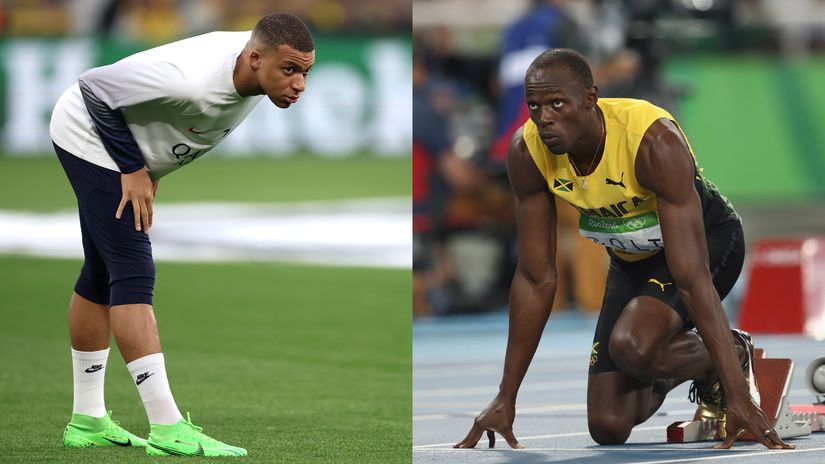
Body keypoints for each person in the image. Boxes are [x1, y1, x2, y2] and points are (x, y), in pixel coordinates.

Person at [454, 48, 795, 450]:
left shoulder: (651, 139)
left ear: (590, 99)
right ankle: (703, 366)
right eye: (534, 105)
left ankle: (734, 358)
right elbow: (535, 277)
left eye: (557, 104)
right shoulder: (527, 152)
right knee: (608, 424)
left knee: (633, 343)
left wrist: (738, 394)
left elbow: (690, 275)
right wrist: (505, 396)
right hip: (633, 258)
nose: (544, 117)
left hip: (706, 243)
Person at [50, 13, 314, 457]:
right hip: (87, 135)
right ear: (254, 58)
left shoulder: (257, 59)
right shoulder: (190, 80)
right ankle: (167, 427)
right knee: (133, 273)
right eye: (289, 70)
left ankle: (88, 419)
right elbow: (93, 87)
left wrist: (151, 171)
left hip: (126, 150)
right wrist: (133, 169)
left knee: (100, 274)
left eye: (306, 71)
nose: (299, 84)